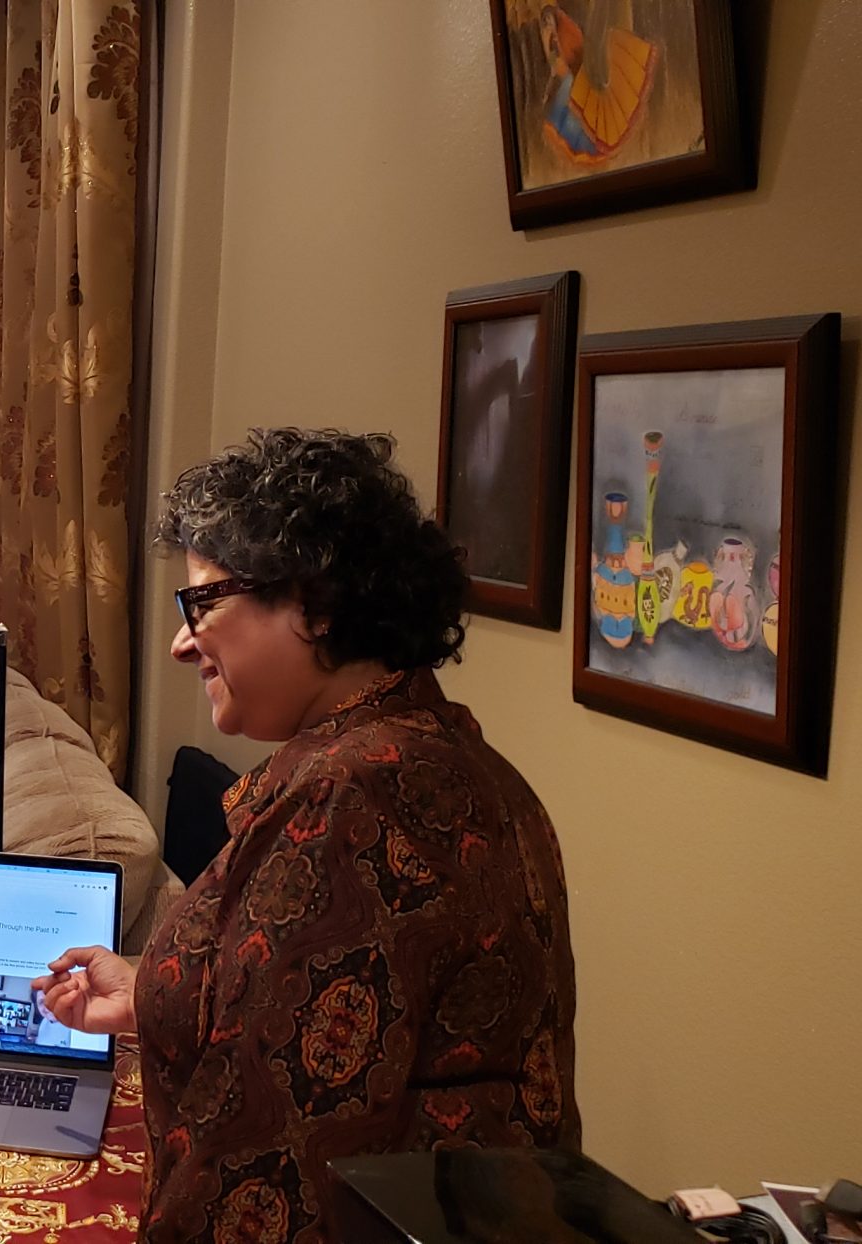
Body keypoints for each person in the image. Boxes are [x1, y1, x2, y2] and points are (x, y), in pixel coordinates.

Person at [35, 428, 578, 1243]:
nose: (183, 642)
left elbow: (271, 1156)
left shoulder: (352, 800)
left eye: (203, 603)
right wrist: (151, 991)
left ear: (315, 606)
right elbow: (304, 1007)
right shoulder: (447, 754)